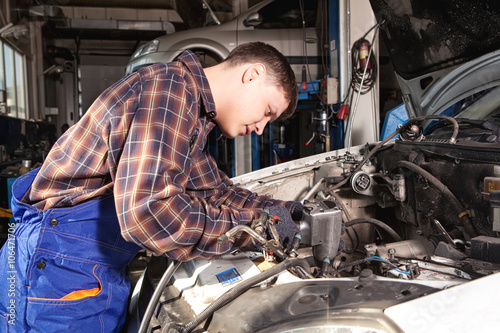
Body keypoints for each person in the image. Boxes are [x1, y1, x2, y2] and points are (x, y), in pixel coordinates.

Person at [0, 42, 302, 332]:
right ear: (252, 74)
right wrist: (257, 230)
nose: (262, 128)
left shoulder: (188, 109)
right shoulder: (168, 93)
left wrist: (288, 213)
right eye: (267, 111)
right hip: (59, 269)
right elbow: (150, 215)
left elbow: (214, 191)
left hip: (87, 265)